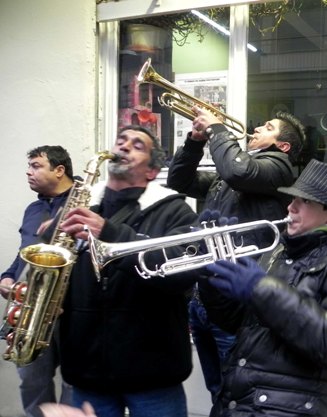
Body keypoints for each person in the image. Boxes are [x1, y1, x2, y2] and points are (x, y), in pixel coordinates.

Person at [198, 159, 327, 417]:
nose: (291, 207)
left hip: (286, 408)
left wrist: (261, 288)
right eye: (293, 199)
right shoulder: (280, 252)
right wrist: (210, 273)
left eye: (305, 202)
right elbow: (234, 322)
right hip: (239, 403)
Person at [166, 106, 306, 416]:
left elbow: (237, 171)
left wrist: (217, 129)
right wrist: (194, 140)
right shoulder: (238, 171)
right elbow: (179, 180)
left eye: (267, 126)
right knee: (217, 390)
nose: (256, 129)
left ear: (282, 146)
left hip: (234, 305)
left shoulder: (278, 169)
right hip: (205, 297)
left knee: (236, 395)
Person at [55, 125, 198, 417]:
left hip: (154, 376)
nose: (124, 147)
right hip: (87, 373)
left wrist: (108, 232)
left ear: (152, 170)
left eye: (137, 145)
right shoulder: (80, 207)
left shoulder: (175, 211)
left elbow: (182, 273)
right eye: (121, 141)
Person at [0, 146, 75, 417]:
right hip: (31, 309)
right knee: (31, 382)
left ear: (59, 170)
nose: (28, 172)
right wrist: (7, 277)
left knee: (74, 383)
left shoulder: (87, 203)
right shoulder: (33, 208)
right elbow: (25, 255)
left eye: (35, 165)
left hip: (71, 310)